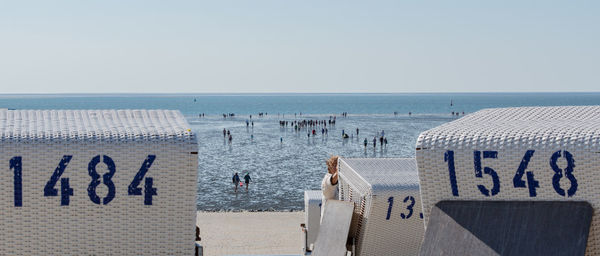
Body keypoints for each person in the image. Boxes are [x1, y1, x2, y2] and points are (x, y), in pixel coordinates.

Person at [321, 156, 339, 221]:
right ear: (330, 167)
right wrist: (339, 170)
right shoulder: (326, 179)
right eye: (335, 165)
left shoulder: (342, 181)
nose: (337, 167)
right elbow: (332, 181)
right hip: (328, 220)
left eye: (338, 164)